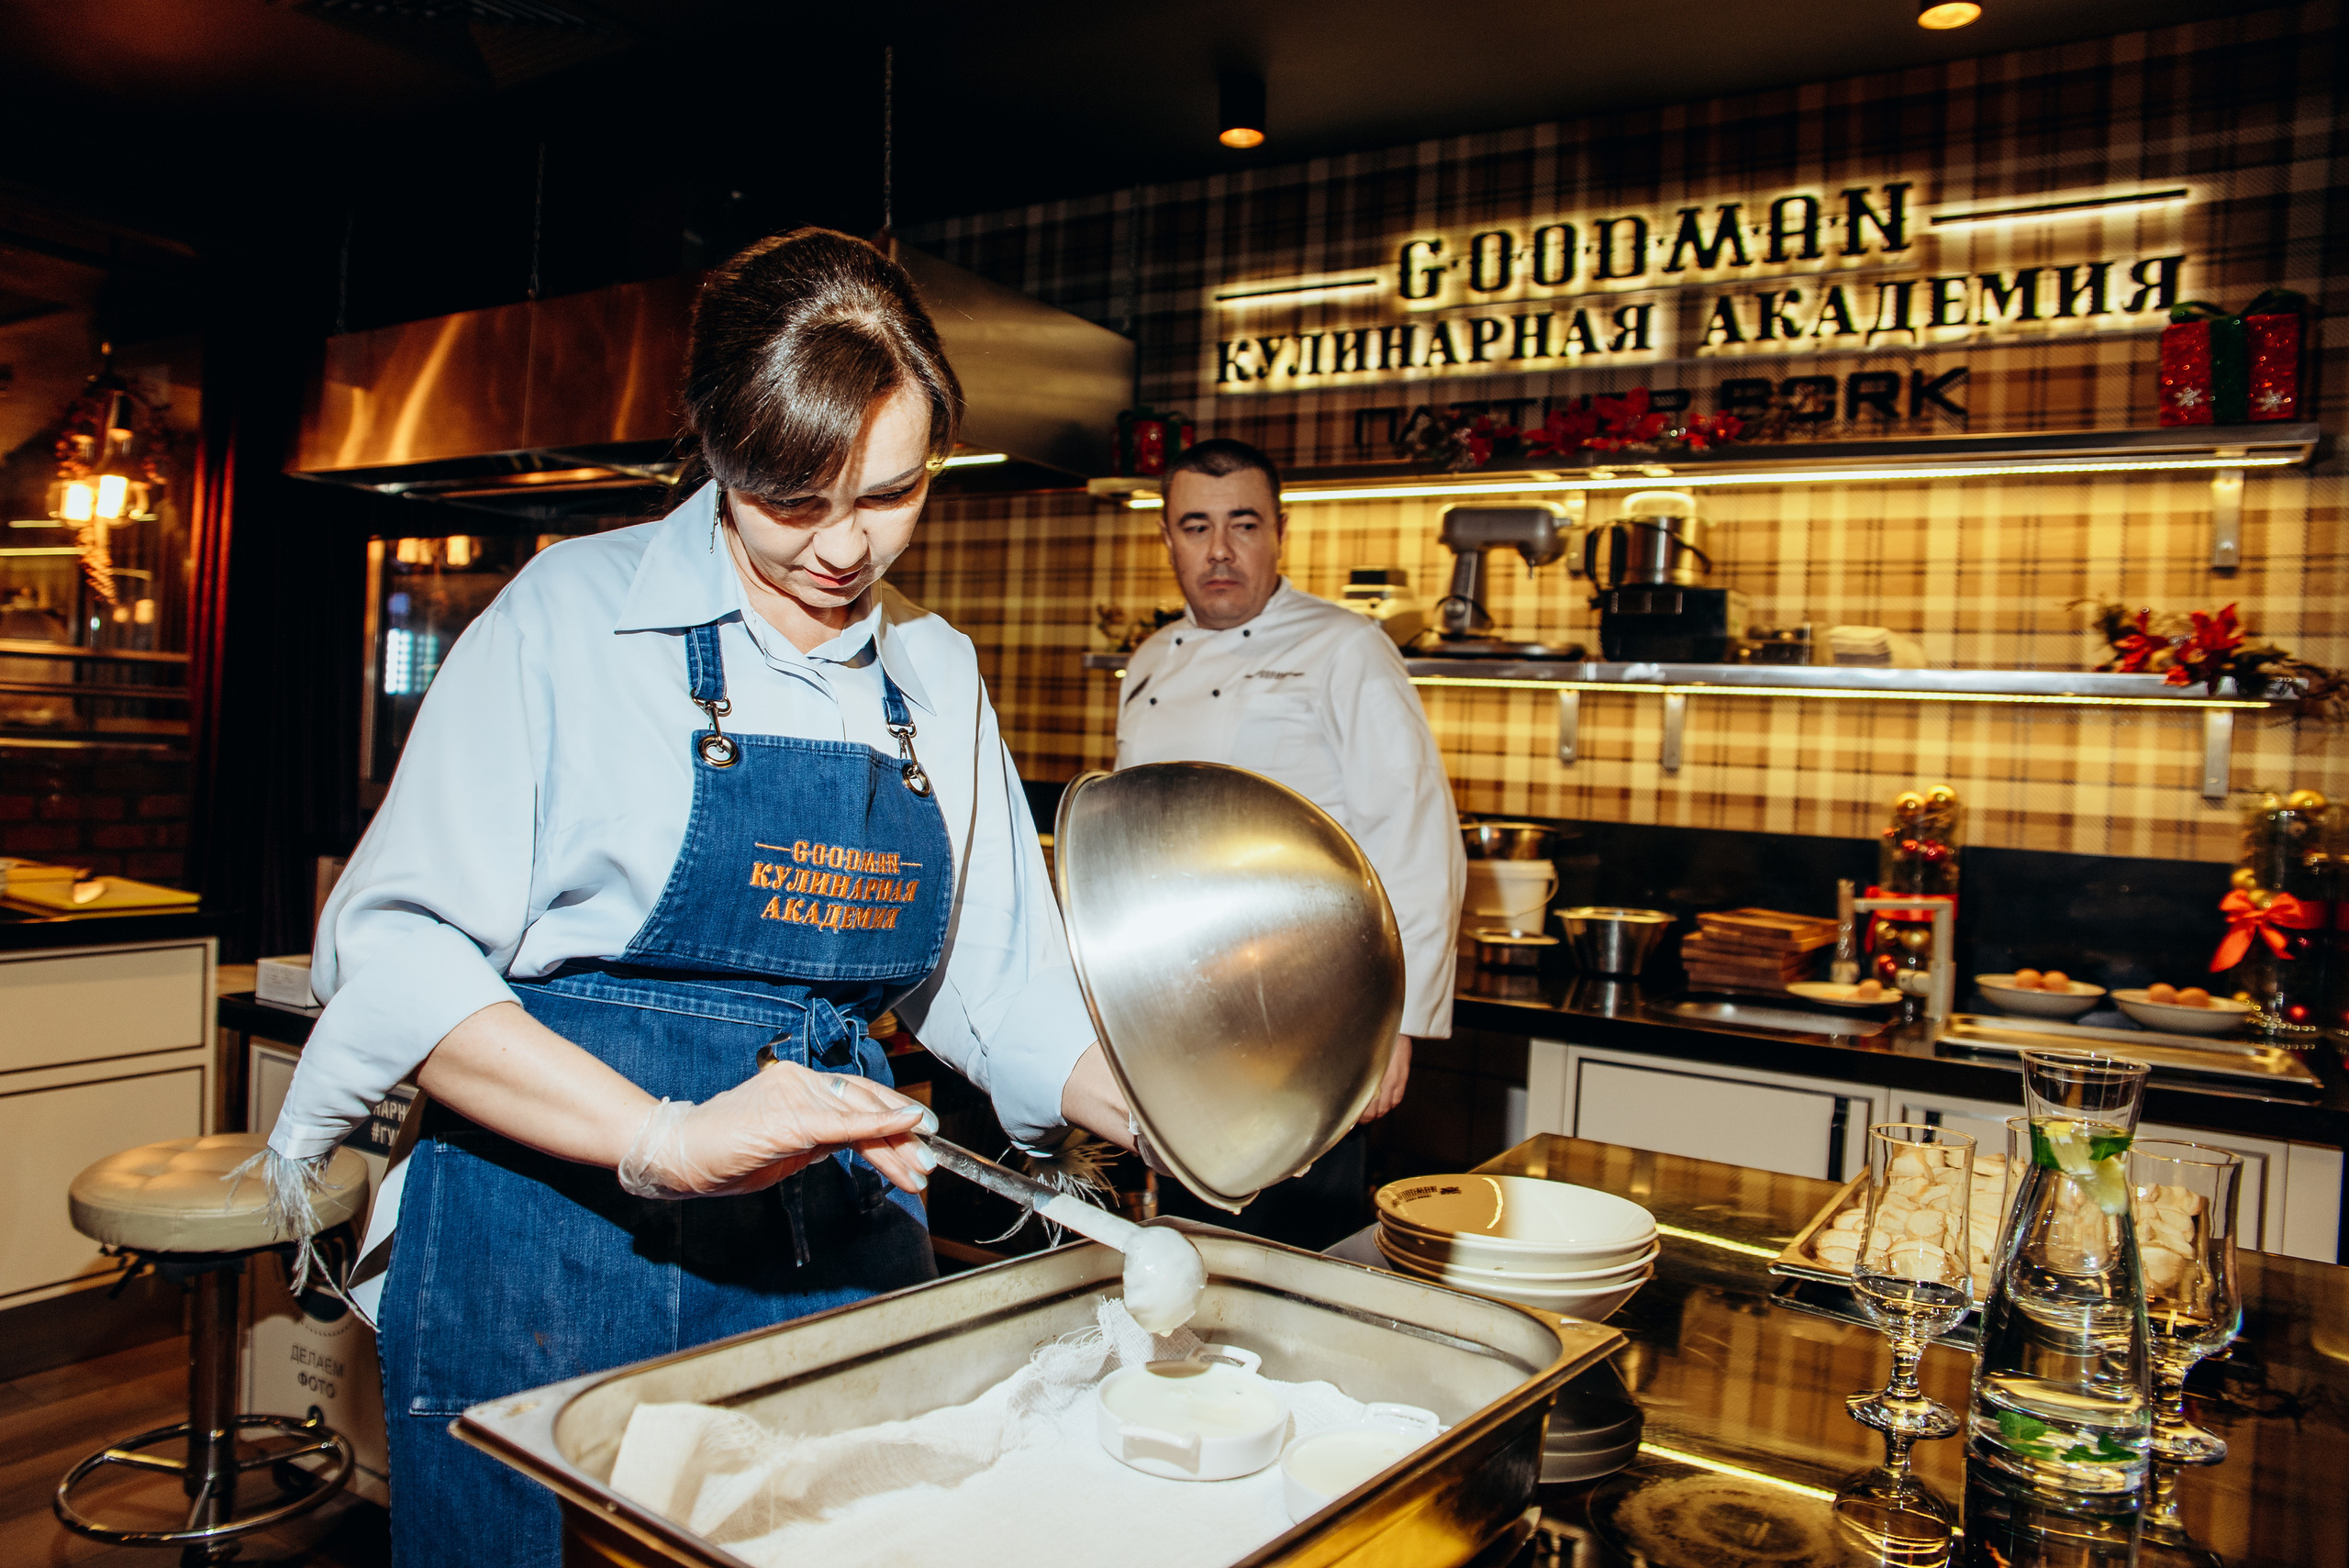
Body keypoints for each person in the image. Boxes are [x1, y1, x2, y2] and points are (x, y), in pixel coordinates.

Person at [260, 229, 1133, 1568]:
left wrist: (1161, 1100)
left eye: (893, 493)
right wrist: (658, 1137)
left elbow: (999, 977)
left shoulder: (935, 672)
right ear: (717, 452)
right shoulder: (571, 614)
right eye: (794, 500)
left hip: (827, 1232)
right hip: (550, 1228)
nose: (844, 547)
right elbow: (397, 949)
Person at [1114, 438, 1464, 1247]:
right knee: (1190, 1240)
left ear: (1280, 532)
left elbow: (1413, 829)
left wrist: (1401, 1023)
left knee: (1297, 1246)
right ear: (1167, 538)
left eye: (1243, 524)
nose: (1220, 550)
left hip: (1311, 1013)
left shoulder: (1346, 648)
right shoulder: (1149, 660)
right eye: (1196, 526)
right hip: (1174, 1012)